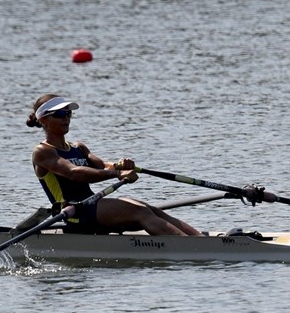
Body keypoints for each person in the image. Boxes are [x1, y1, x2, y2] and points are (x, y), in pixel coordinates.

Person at [28, 94, 203, 236]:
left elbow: (103, 167)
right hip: (75, 213)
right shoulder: (43, 152)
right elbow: (74, 173)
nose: (66, 118)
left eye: (68, 113)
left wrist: (121, 166)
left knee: (149, 209)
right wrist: (117, 174)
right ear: (43, 120)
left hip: (92, 206)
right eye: (59, 114)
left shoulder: (78, 147)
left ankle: (200, 240)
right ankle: (191, 248)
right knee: (138, 211)